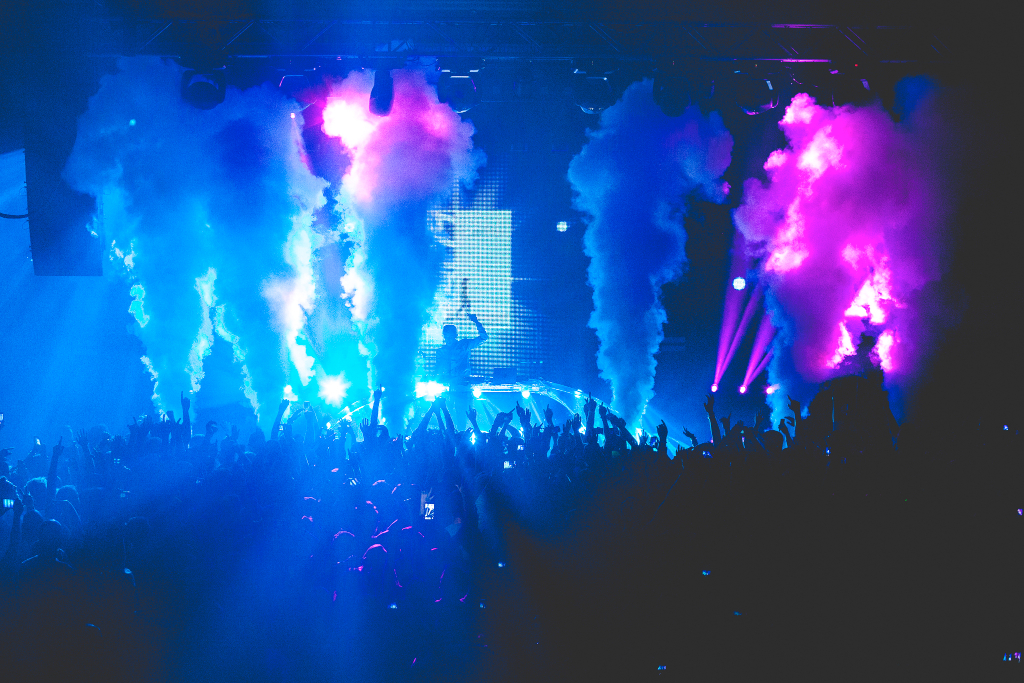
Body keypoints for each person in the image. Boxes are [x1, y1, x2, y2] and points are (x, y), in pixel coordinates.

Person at [435, 312, 488, 429]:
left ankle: (462, 434)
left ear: (456, 335)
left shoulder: (464, 345)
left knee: (462, 413)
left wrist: (476, 322)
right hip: (448, 386)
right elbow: (437, 368)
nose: (448, 339)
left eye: (450, 336)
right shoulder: (441, 351)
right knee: (447, 415)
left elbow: (484, 337)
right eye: (446, 336)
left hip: (463, 385)